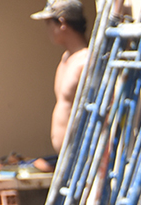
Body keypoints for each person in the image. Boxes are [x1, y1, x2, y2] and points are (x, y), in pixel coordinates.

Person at [31, 0, 90, 170]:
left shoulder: (85, 61)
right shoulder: (66, 58)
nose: (48, 29)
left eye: (49, 23)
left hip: (81, 159)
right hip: (65, 157)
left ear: (62, 23)